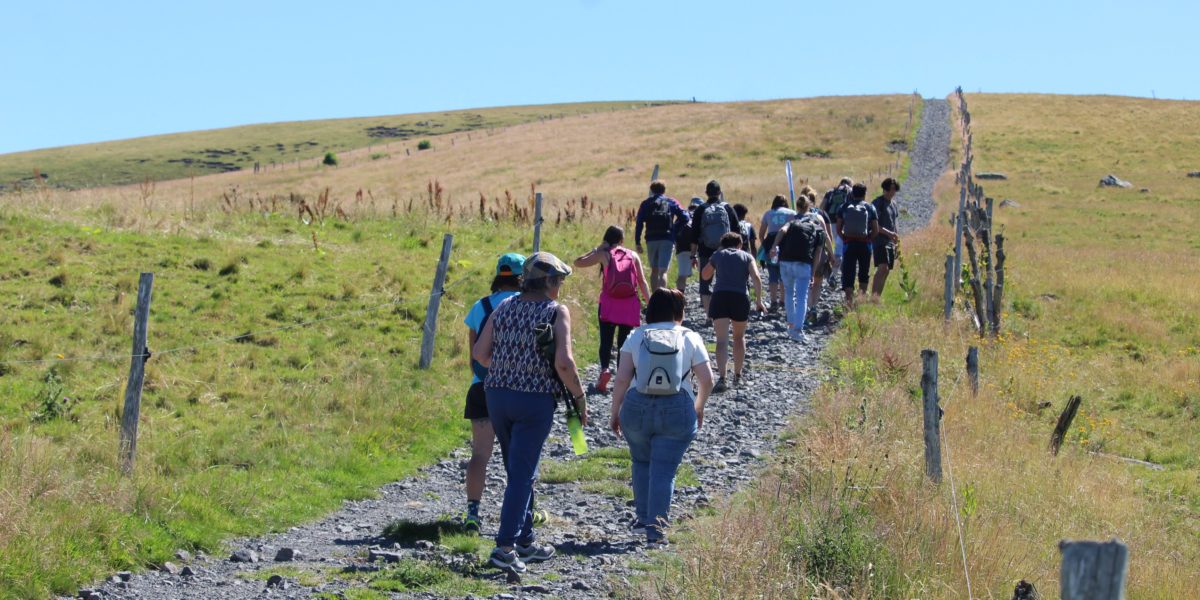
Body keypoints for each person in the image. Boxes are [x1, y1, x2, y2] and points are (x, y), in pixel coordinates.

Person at [472, 252, 588, 573]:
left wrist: (509, 367)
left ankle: (525, 541)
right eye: (560, 280)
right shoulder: (555, 312)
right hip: (534, 400)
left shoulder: (504, 306)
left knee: (517, 468)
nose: (561, 286)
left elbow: (480, 354)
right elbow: (563, 363)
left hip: (496, 395)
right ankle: (504, 548)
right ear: (549, 282)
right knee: (522, 475)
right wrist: (579, 397)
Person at [609, 288, 714, 547]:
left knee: (641, 461)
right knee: (664, 471)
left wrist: (615, 411)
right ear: (679, 311)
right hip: (677, 408)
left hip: (637, 407)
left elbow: (622, 378)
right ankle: (655, 532)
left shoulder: (636, 335)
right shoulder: (689, 336)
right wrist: (698, 407)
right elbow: (707, 380)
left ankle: (643, 519)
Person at [461, 253, 525, 533]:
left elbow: (473, 357)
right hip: (516, 389)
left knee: (480, 454)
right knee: (519, 455)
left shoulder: (481, 306)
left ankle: (473, 513)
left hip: (481, 386)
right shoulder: (527, 306)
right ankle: (522, 514)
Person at [573, 226, 651, 393]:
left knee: (606, 341)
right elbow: (642, 282)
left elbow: (578, 262)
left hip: (609, 304)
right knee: (624, 343)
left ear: (606, 238)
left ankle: (604, 370)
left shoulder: (604, 254)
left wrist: (597, 249)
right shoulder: (633, 255)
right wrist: (650, 302)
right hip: (629, 304)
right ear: (622, 240)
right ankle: (622, 378)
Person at [700, 232, 766, 392]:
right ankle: (737, 375)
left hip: (720, 296)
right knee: (739, 337)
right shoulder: (746, 256)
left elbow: (705, 274)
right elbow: (756, 277)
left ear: (723, 244)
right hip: (740, 297)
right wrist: (759, 300)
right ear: (740, 244)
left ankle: (722, 377)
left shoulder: (718, 254)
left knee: (721, 340)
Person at [769, 196, 826, 341]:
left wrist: (774, 246)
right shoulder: (817, 227)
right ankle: (798, 330)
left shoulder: (792, 222)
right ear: (809, 208)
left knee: (789, 293)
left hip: (786, 261)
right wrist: (813, 273)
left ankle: (790, 324)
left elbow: (782, 230)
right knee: (802, 297)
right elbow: (818, 253)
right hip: (803, 263)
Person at [690, 180, 740, 313]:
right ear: (719, 193)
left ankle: (708, 315)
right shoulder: (728, 208)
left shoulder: (701, 209)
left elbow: (694, 234)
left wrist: (693, 255)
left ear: (706, 193)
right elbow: (737, 230)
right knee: (726, 281)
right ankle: (725, 311)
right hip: (726, 250)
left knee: (705, 282)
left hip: (705, 251)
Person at [635, 181, 690, 291]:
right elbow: (685, 217)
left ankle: (655, 299)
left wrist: (637, 241)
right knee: (663, 271)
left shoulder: (646, 203)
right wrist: (675, 229)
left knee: (654, 270)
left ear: (652, 190)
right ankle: (662, 299)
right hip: (667, 238)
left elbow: (639, 222)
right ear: (664, 190)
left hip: (651, 239)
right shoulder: (671, 202)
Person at [835, 183, 880, 308]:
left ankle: (849, 301)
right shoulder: (870, 208)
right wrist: (868, 238)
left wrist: (845, 237)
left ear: (852, 193)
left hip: (849, 243)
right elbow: (875, 229)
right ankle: (861, 300)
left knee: (849, 271)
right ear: (864, 194)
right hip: (865, 244)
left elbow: (838, 228)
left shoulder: (843, 207)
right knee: (863, 272)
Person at [800, 187, 835, 324]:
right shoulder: (819, 216)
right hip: (819, 253)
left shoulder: (798, 217)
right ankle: (813, 307)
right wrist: (831, 254)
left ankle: (807, 308)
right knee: (818, 282)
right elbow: (826, 236)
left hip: (803, 254)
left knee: (806, 283)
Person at [758, 195, 797, 311]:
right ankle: (783, 301)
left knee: (772, 274)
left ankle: (773, 301)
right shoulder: (792, 213)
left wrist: (765, 245)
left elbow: (761, 234)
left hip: (771, 245)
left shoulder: (768, 213)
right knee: (784, 274)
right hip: (787, 244)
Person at [871, 178, 902, 299]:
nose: (892, 192)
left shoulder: (893, 204)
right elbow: (874, 224)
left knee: (887, 270)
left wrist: (897, 241)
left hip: (891, 242)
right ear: (884, 189)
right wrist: (889, 233)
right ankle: (873, 296)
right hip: (879, 240)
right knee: (882, 267)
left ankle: (877, 297)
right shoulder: (877, 203)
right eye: (890, 189)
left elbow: (895, 223)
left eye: (894, 190)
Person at [820, 178, 854, 271]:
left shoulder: (831, 191)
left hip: (830, 221)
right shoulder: (851, 191)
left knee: (837, 243)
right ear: (850, 184)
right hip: (844, 222)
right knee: (840, 245)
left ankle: (837, 269)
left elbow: (822, 207)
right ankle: (835, 273)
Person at [674, 197, 703, 293]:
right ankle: (704, 298)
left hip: (682, 246)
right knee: (703, 273)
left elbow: (675, 230)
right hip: (699, 246)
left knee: (682, 274)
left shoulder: (683, 215)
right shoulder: (702, 213)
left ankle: (680, 298)